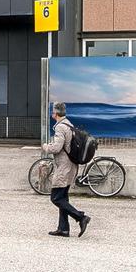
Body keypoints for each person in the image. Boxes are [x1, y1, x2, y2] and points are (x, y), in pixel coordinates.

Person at [42, 102, 91, 238]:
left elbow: (56, 148)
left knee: (56, 198)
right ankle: (63, 229)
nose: (52, 114)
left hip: (64, 167)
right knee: (63, 198)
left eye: (52, 112)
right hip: (71, 166)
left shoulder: (60, 128)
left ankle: (81, 217)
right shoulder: (68, 123)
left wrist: (46, 146)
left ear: (55, 114)